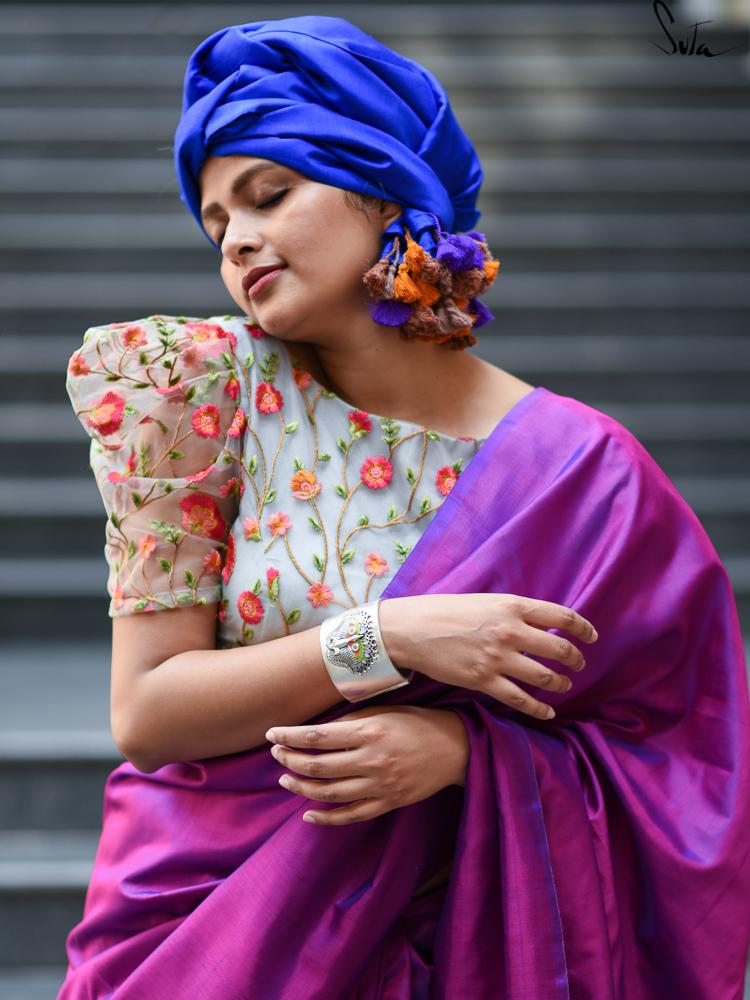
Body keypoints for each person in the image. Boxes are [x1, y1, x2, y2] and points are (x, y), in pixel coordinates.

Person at [58, 15, 750, 999]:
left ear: (391, 193)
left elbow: (681, 765)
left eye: (270, 194)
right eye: (216, 223)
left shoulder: (588, 476)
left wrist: (469, 755)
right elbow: (148, 710)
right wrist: (385, 639)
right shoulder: (197, 397)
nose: (238, 239)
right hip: (218, 935)